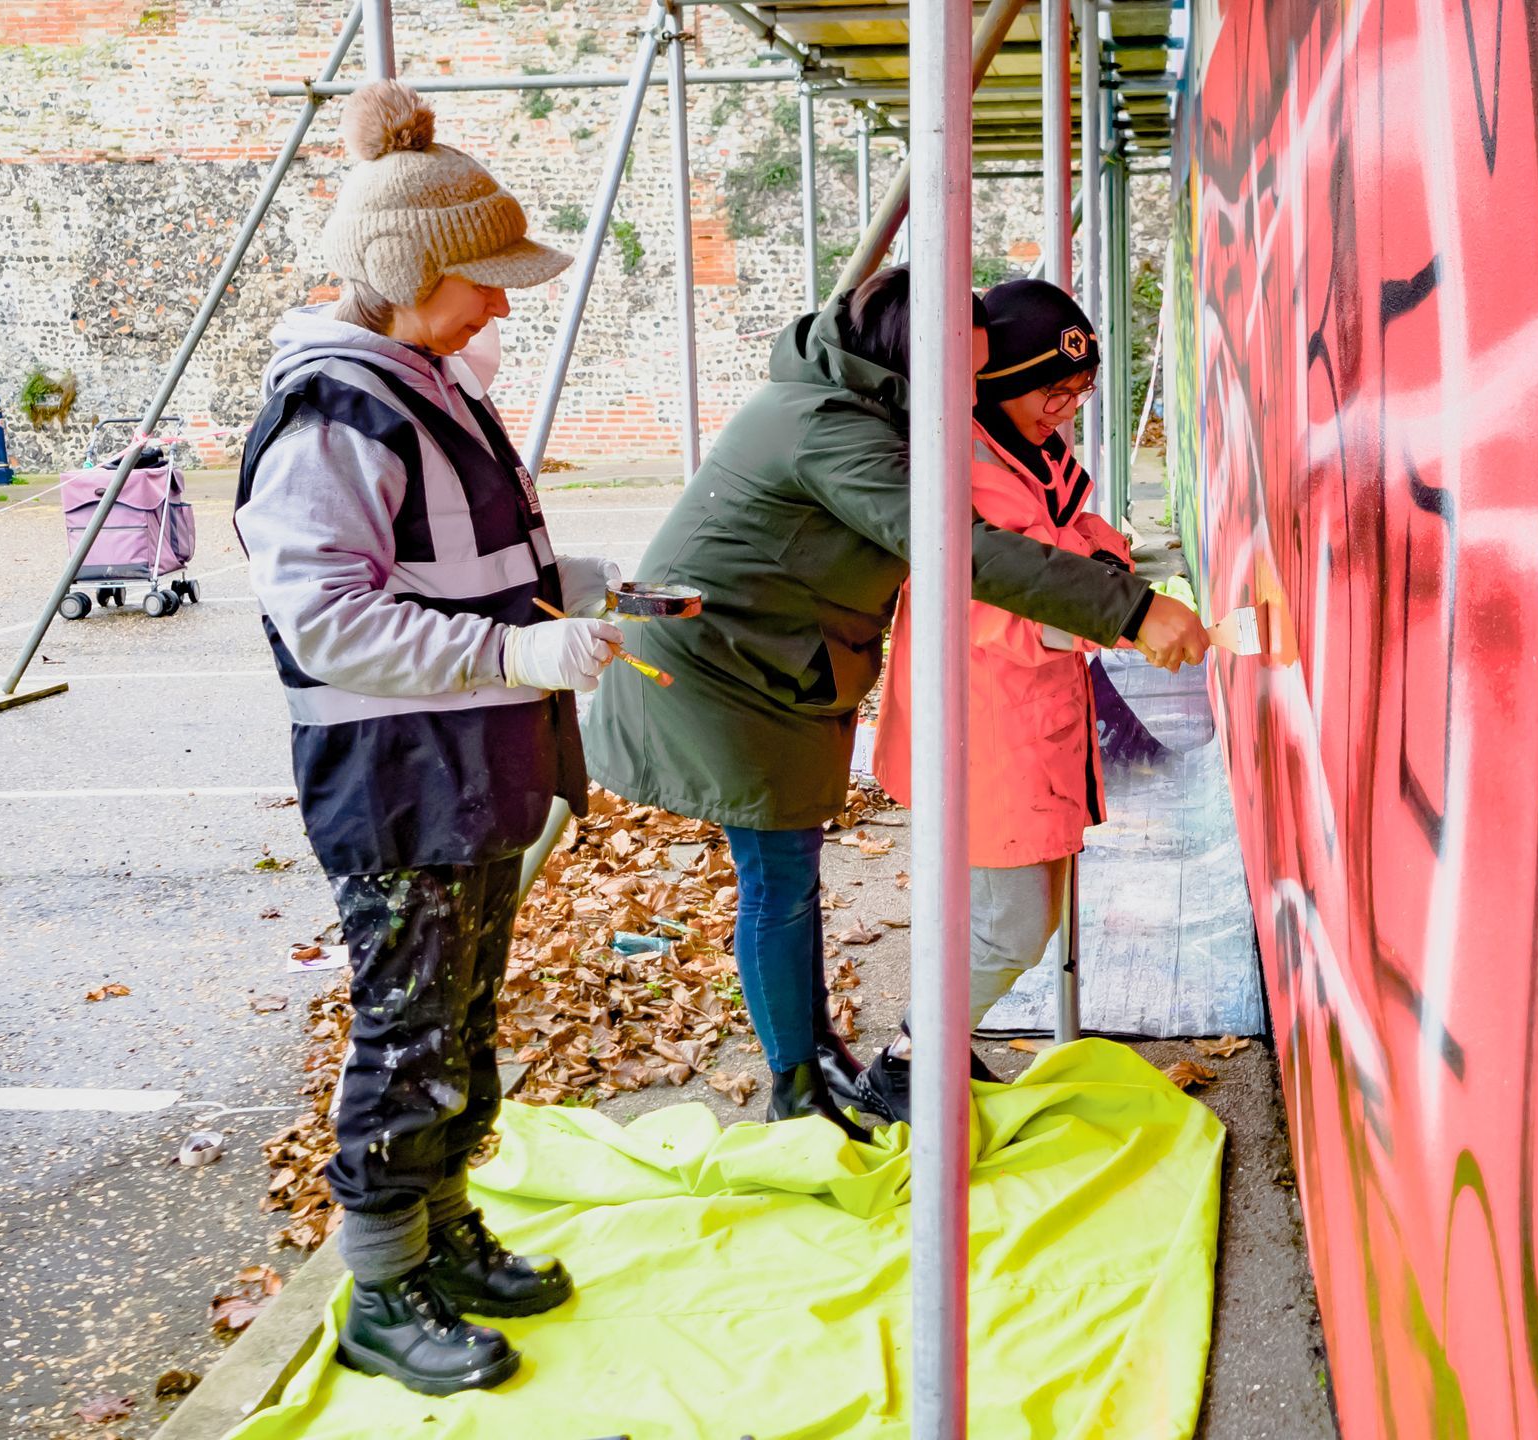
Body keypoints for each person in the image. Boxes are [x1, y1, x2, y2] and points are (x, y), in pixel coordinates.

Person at [582, 267, 1208, 1137]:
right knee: (778, 882)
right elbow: (967, 553)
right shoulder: (833, 431)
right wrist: (1132, 608)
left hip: (775, 663)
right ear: (926, 359)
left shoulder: (866, 407)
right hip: (722, 675)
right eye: (972, 369)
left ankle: (827, 1059)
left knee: (791, 878)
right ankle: (800, 1084)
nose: (979, 392)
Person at [234, 81, 623, 1398]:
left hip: (467, 765)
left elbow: (448, 557)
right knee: (407, 1028)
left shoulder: (417, 379)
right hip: (401, 777)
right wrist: (513, 649)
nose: (502, 306)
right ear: (410, 278)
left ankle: (442, 1228)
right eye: (483, 282)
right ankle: (383, 1282)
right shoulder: (337, 409)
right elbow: (330, 619)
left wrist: (560, 587)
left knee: (456, 1017)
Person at [859, 277, 1200, 1120]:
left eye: (1078, 392)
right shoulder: (957, 461)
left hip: (1026, 725)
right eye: (1054, 390)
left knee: (1009, 912)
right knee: (1011, 927)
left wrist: (1111, 574)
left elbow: (1076, 529)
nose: (1067, 408)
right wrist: (1117, 623)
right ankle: (907, 1063)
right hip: (981, 726)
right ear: (1003, 381)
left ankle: (932, 1052)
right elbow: (984, 607)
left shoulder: (1032, 448)